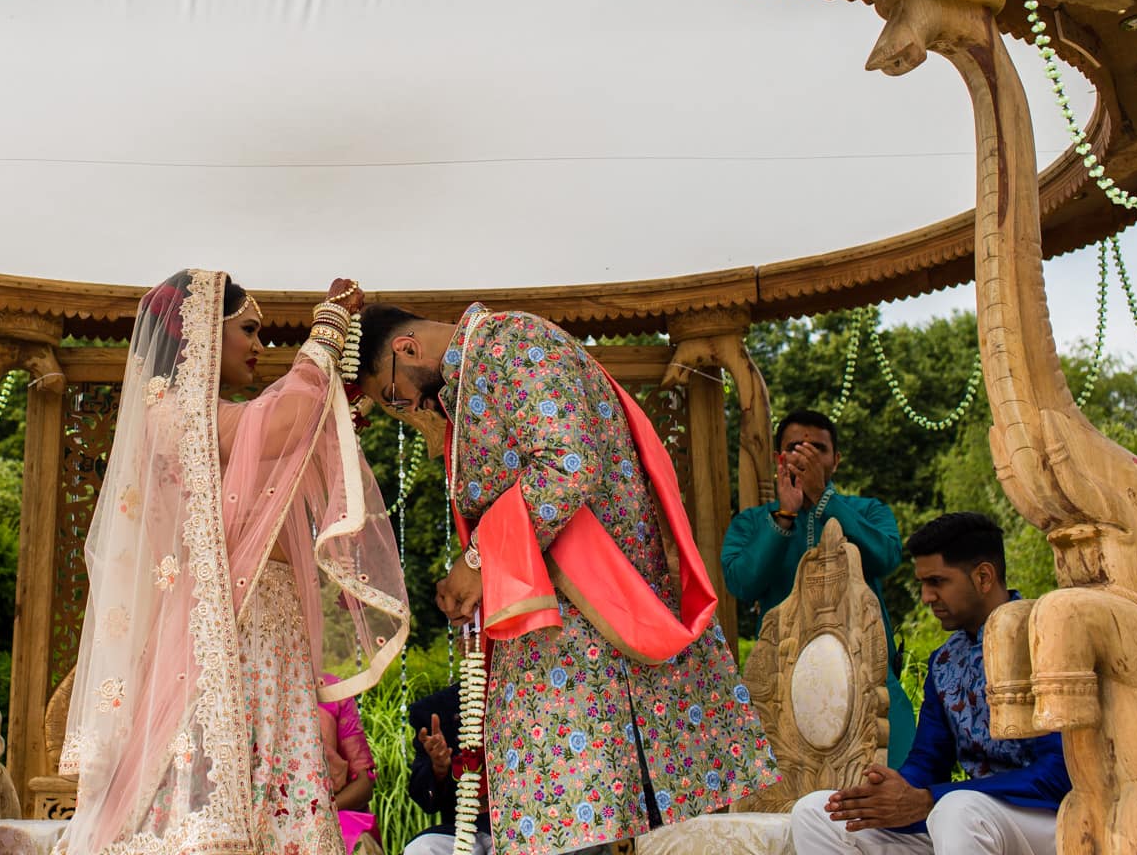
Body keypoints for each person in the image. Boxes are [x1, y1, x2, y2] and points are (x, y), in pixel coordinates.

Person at [358, 302, 777, 855]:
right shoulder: (471, 378)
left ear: (405, 348)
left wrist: (479, 562)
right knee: (559, 826)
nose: (405, 407)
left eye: (391, 394)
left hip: (587, 634)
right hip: (551, 646)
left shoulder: (509, 341)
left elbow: (567, 465)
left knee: (566, 829)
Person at [59, 272, 409, 855]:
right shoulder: (171, 413)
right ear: (201, 333)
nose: (259, 346)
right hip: (223, 633)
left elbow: (280, 472)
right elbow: (280, 420)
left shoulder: (213, 422)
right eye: (248, 330)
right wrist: (325, 336)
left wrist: (333, 411)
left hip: (263, 630)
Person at [791, 512, 1069, 854]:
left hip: (1053, 819)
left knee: (956, 810)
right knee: (817, 813)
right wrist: (891, 792)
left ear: (983, 577)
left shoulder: (1046, 642)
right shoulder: (945, 662)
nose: (926, 596)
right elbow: (929, 761)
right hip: (971, 822)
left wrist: (930, 799)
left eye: (937, 581)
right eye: (923, 583)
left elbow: (1059, 772)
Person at [721, 409, 915, 764]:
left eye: (819, 449)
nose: (806, 456)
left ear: (835, 460)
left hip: (865, 681)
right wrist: (785, 516)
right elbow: (742, 582)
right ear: (779, 458)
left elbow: (886, 557)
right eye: (795, 447)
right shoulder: (752, 522)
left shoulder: (869, 511)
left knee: (886, 787)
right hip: (783, 684)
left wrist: (824, 500)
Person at [403, 684, 490, 855]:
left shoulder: (538, 692)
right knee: (419, 849)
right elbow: (423, 797)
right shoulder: (436, 707)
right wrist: (438, 768)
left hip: (523, 829)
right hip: (464, 833)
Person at [318, 673, 382, 855]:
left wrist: (318, 813)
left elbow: (364, 785)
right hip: (263, 819)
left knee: (361, 846)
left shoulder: (333, 690)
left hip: (331, 814)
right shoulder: (245, 691)